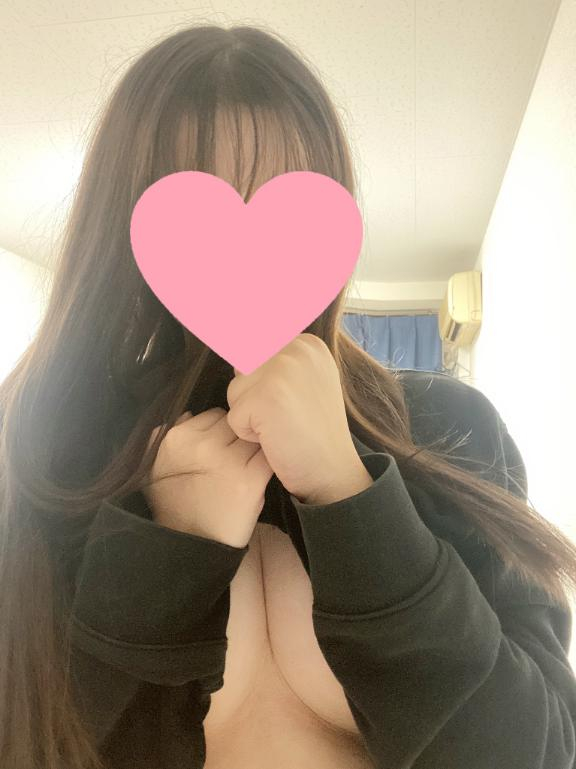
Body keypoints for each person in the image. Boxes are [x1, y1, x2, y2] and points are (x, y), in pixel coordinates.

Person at [0, 23, 575, 769]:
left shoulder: (449, 426)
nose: (242, 252)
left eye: (281, 204)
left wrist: (350, 493)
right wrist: (166, 554)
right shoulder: (47, 446)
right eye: (197, 211)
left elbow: (543, 751)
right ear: (122, 227)